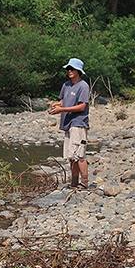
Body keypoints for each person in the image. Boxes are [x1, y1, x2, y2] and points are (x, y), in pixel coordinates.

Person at [48, 58, 90, 189]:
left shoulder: (83, 86)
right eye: (68, 69)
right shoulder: (66, 85)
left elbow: (82, 106)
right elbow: (63, 101)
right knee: (71, 156)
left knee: (79, 155)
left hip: (78, 123)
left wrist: (62, 109)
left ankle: (84, 183)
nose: (69, 71)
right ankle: (74, 182)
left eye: (72, 69)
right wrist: (55, 105)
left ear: (78, 71)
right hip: (67, 124)